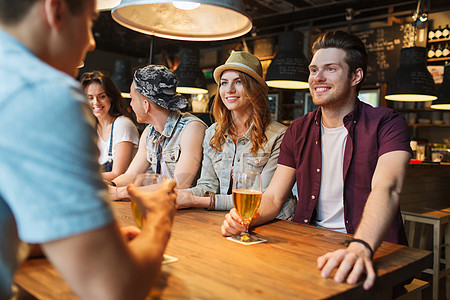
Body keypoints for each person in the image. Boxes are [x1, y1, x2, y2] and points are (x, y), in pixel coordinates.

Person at [0, 1, 177, 299]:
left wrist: (86, 236)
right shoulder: (45, 94)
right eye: (91, 21)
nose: (92, 41)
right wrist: (159, 219)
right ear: (55, 11)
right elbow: (113, 288)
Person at [221, 31, 412, 290]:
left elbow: (387, 187)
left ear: (356, 76)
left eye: (330, 69)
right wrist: (245, 218)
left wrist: (361, 246)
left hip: (370, 247)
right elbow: (274, 198)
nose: (317, 78)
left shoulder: (387, 123)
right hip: (307, 245)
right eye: (313, 70)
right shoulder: (297, 130)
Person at [176, 51, 296, 220]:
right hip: (229, 219)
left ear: (254, 89)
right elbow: (207, 185)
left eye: (238, 82)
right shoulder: (212, 133)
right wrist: (178, 195)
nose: (229, 90)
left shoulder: (278, 135)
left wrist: (196, 201)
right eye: (224, 83)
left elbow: (261, 199)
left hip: (272, 223)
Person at [109, 65, 207, 200]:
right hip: (163, 208)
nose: (130, 105)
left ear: (146, 105)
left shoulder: (192, 128)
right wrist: (110, 185)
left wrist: (119, 192)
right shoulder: (149, 133)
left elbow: (178, 185)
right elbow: (131, 176)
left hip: (194, 215)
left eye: (132, 99)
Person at [80, 71, 140, 181]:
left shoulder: (122, 124)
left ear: (110, 97)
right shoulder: (92, 128)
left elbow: (118, 173)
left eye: (101, 96)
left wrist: (81, 177)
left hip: (124, 192)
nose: (96, 102)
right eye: (90, 98)